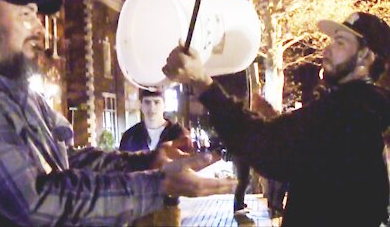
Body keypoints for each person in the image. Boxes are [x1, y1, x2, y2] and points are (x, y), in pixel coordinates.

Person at [0, 0, 235, 226]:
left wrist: (149, 161)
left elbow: (65, 160)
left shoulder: (13, 91)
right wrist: (158, 186)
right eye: (26, 15)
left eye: (38, 16)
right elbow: (34, 200)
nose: (40, 29)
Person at [163, 12, 390, 226]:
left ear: (365, 57)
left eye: (340, 42)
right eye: (331, 40)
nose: (327, 49)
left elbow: (267, 145)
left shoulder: (347, 111)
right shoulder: (365, 109)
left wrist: (204, 84)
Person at [119, 88, 193, 226]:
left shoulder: (179, 135)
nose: (151, 107)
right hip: (138, 207)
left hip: (167, 206)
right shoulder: (130, 136)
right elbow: (121, 170)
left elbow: (187, 170)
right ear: (141, 105)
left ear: (164, 104)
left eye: (156, 102)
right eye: (147, 102)